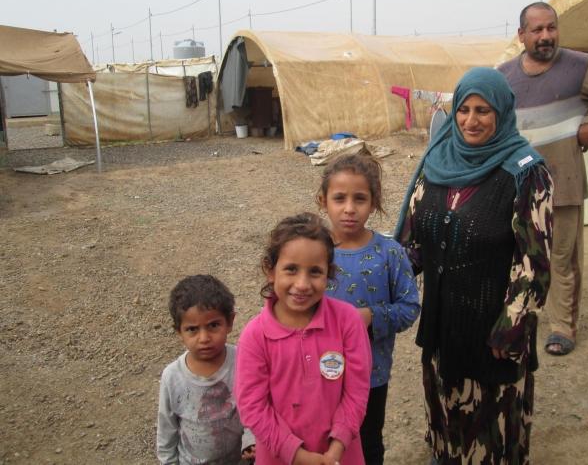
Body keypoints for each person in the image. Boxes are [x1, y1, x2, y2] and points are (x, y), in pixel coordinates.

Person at [395, 67, 554, 465]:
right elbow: (414, 242)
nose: (470, 120)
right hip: (442, 320)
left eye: (483, 110)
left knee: (491, 426)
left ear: (502, 111)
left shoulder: (525, 171)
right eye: (463, 109)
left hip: (493, 327)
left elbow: (534, 262)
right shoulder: (437, 161)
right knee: (445, 409)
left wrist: (512, 323)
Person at [497, 1, 588, 356]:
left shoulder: (581, 66)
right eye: (537, 30)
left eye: (551, 28)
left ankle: (562, 326)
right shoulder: (503, 76)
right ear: (521, 35)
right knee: (514, 252)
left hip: (564, 181)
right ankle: (516, 315)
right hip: (516, 185)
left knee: (561, 257)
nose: (546, 36)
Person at [235, 212, 372, 465]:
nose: (302, 284)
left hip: (342, 456)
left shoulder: (348, 323)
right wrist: (295, 454)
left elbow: (357, 392)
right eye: (291, 269)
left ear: (328, 274)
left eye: (315, 272)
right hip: (278, 457)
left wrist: (337, 445)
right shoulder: (255, 336)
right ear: (270, 270)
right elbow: (252, 406)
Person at [317, 153, 421, 465]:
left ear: (373, 203)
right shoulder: (313, 249)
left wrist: (371, 317)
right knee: (321, 438)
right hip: (317, 371)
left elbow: (408, 306)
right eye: (339, 198)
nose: (349, 208)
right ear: (323, 200)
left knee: (367, 440)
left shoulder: (390, 253)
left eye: (359, 199)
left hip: (371, 373)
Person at [156, 274, 255, 465]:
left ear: (230, 322)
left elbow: (255, 405)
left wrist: (251, 441)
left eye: (213, 325)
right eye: (192, 329)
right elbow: (166, 430)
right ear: (179, 331)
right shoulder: (173, 377)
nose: (204, 338)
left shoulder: (243, 361)